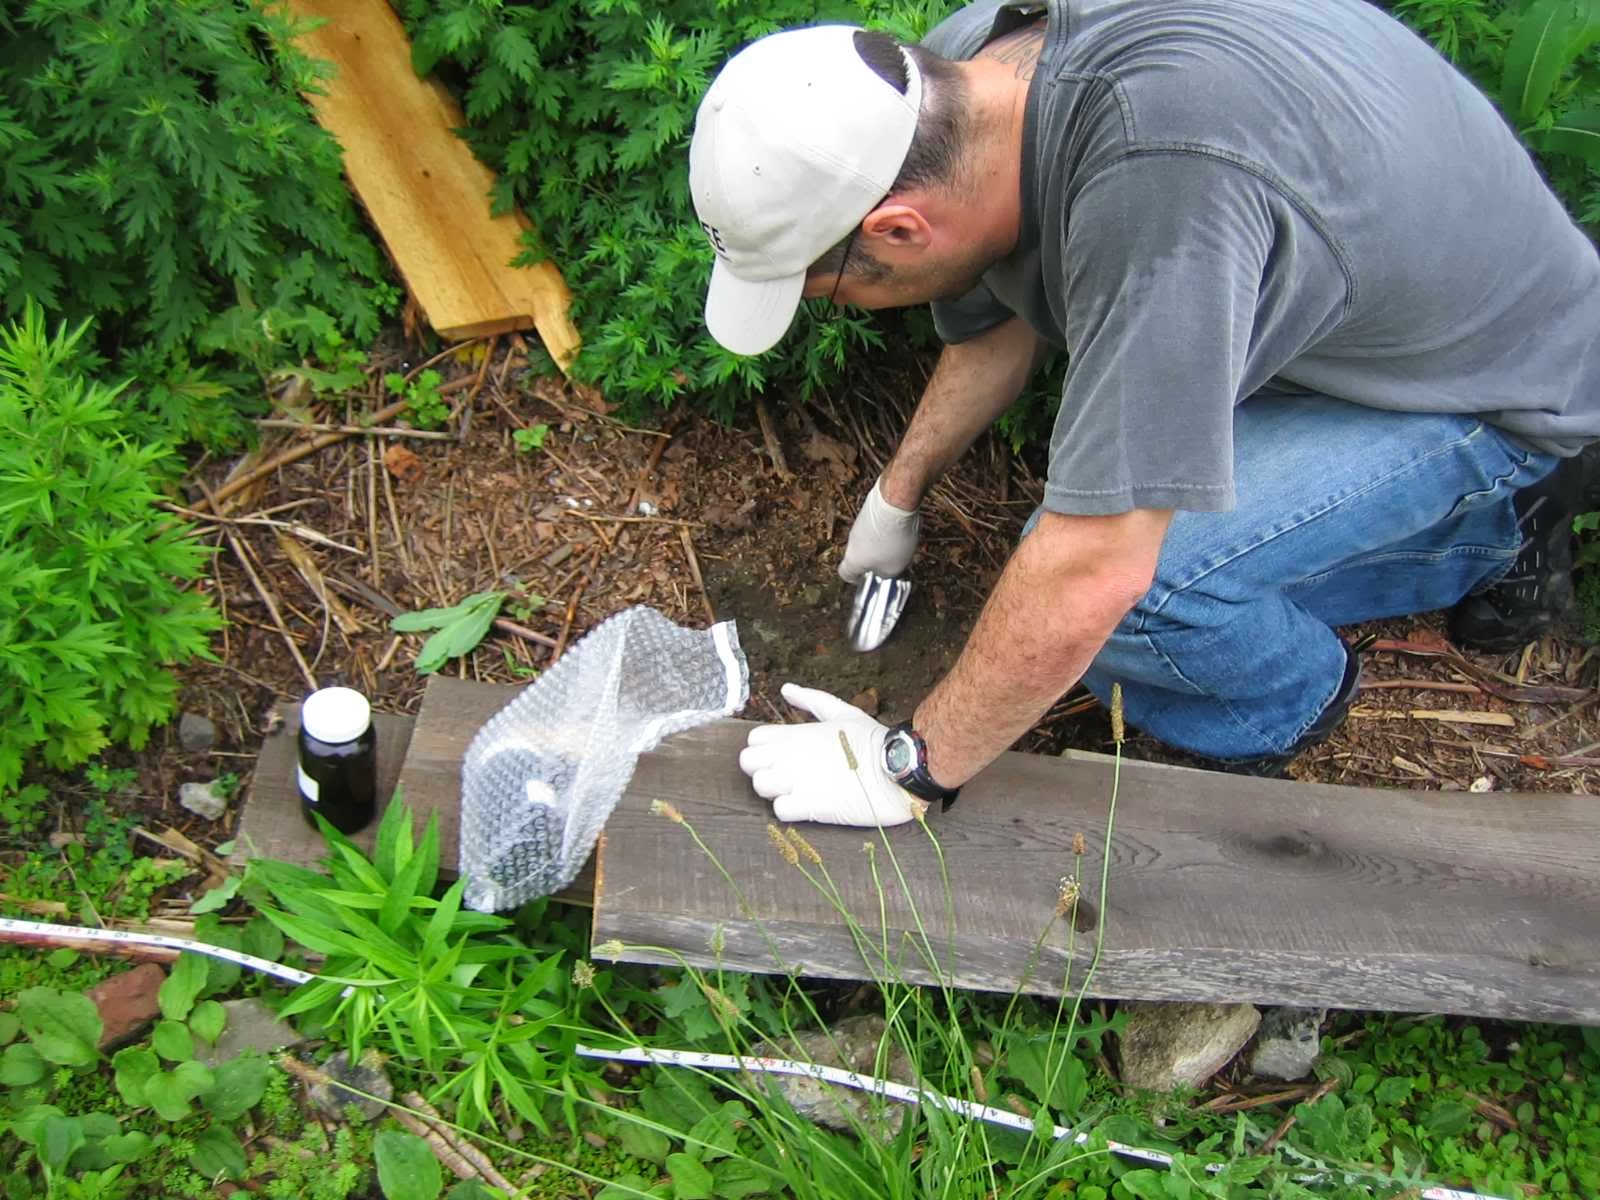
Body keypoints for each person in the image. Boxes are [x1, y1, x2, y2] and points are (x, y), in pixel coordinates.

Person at [689, 0, 1600, 827]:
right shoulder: (971, 77)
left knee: (1141, 601)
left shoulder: (1159, 190)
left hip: (1488, 381)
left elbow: (1096, 573)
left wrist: (909, 766)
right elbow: (998, 316)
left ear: (898, 229)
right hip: (1361, 309)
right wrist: (899, 494)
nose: (842, 306)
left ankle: (1334, 663)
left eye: (834, 291)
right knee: (1075, 563)